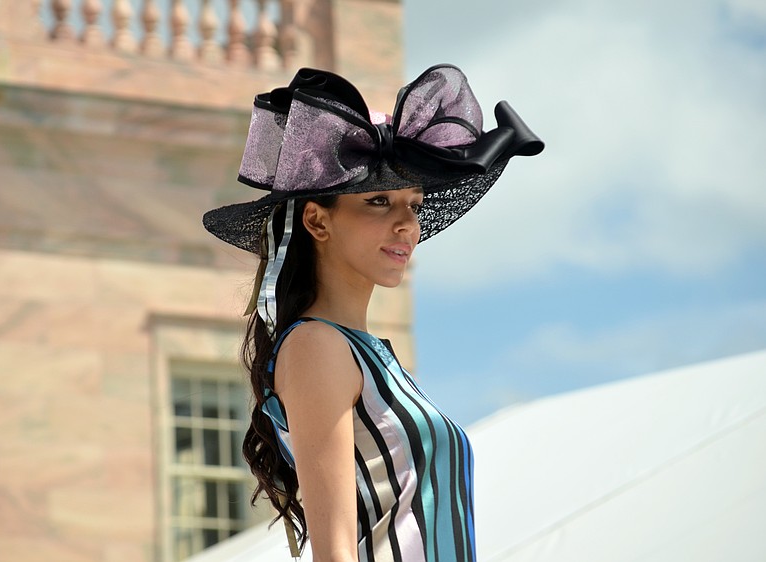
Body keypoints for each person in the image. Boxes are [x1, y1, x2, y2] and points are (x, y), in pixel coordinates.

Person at [203, 64, 543, 562]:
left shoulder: (368, 356)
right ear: (318, 220)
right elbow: (335, 552)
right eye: (379, 201)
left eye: (414, 204)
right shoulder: (317, 346)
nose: (406, 223)